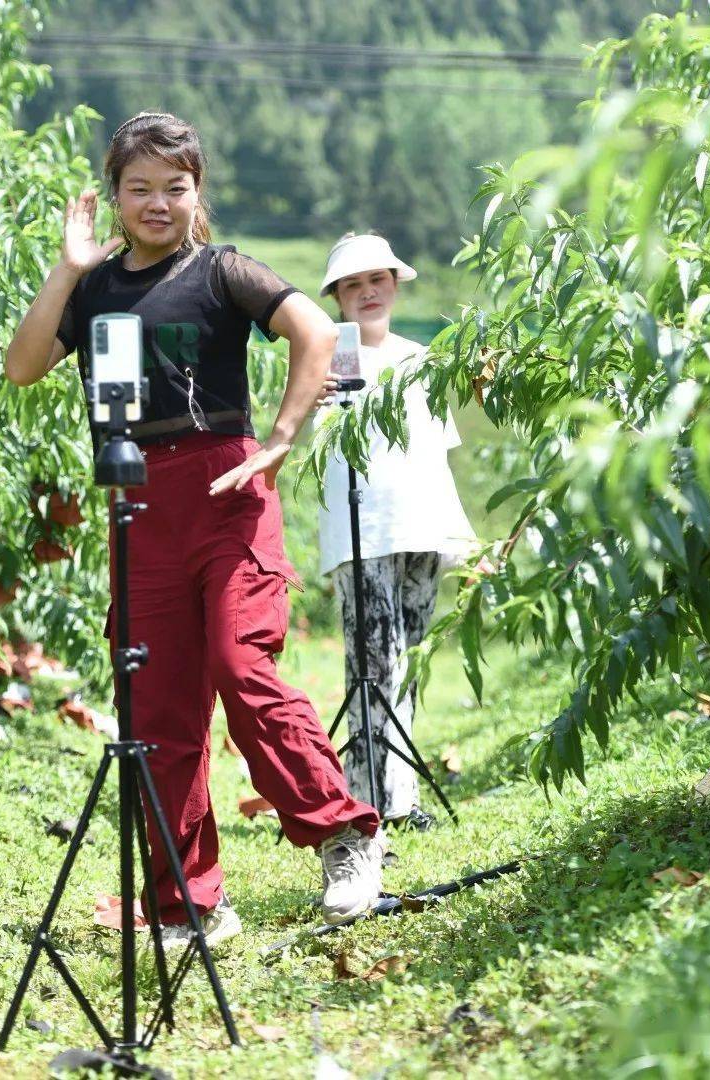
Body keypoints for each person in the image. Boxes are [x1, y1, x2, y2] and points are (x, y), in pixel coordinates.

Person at [5, 113, 383, 943]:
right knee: (157, 708)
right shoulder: (96, 286)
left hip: (227, 488)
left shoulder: (221, 271)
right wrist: (67, 271)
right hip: (138, 504)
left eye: (173, 188)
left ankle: (343, 835)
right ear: (113, 197)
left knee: (238, 660)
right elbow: (24, 366)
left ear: (196, 192)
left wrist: (282, 439)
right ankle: (187, 901)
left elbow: (315, 333)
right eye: (138, 188)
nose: (156, 203)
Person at [313, 232, 477, 829]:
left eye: (375, 281)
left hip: (419, 524)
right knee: (371, 661)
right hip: (362, 531)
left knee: (406, 658)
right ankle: (367, 799)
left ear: (394, 285)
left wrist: (458, 536)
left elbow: (437, 455)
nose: (367, 293)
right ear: (336, 297)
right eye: (352, 285)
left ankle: (400, 797)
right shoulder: (324, 356)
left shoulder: (419, 358)